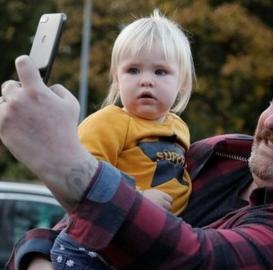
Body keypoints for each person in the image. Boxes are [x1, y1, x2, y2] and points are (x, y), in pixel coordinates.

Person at [2, 53, 273, 269]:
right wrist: (39, 258)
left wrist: (60, 157)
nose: (272, 121)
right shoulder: (217, 152)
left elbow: (194, 258)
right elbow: (73, 225)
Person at [47, 10, 195, 270]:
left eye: (161, 72)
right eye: (133, 70)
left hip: (146, 245)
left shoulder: (179, 127)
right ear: (117, 78)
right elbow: (84, 175)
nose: (146, 81)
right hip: (93, 249)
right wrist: (136, 200)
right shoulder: (109, 122)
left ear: (182, 82)